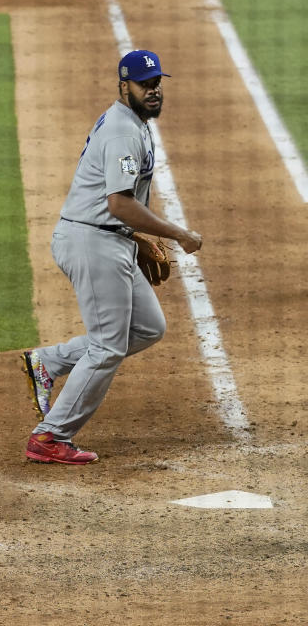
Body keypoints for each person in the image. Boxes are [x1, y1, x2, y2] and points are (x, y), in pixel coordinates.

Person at [20, 49, 203, 465]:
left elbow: (117, 209)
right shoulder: (123, 132)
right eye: (145, 84)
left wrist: (133, 238)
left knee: (147, 328)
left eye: (157, 83)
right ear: (125, 86)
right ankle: (50, 437)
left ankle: (48, 361)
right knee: (107, 347)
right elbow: (118, 203)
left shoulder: (132, 122)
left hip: (106, 237)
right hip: (92, 242)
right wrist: (178, 234)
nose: (154, 91)